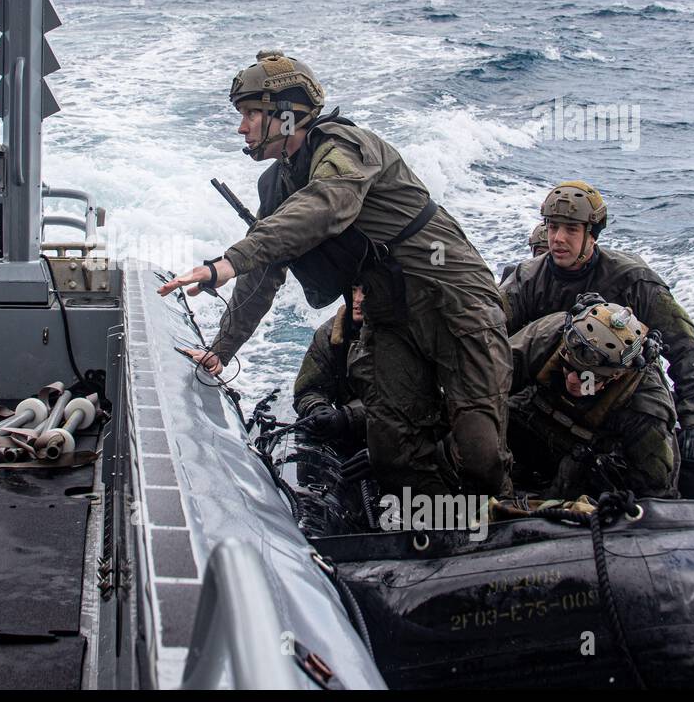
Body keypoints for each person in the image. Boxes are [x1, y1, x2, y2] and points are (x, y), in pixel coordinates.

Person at [161, 50, 513, 499]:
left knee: (480, 453)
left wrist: (229, 260)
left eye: (251, 113)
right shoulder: (277, 183)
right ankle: (436, 536)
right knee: (393, 450)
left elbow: (327, 204)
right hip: (391, 315)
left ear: (287, 116)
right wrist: (222, 349)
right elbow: (268, 268)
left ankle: (503, 521)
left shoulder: (346, 146)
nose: (241, 126)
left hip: (453, 301)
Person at [499, 182, 694, 463]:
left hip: (618, 396)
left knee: (653, 456)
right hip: (548, 389)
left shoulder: (634, 281)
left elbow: (687, 348)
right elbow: (489, 331)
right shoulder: (527, 278)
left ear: (592, 235)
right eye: (552, 227)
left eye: (571, 230)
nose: (558, 239)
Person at [507, 293, 678, 499]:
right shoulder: (549, 334)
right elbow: (488, 381)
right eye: (567, 367)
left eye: (586, 378)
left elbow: (655, 491)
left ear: (615, 376)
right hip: (536, 424)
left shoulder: (645, 405)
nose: (571, 380)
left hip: (590, 460)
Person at [293, 288, 367, 452]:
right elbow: (309, 389)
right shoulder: (329, 333)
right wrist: (316, 407)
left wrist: (348, 417)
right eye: (353, 291)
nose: (358, 299)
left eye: (366, 292)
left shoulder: (406, 336)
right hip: (349, 433)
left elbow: (405, 403)